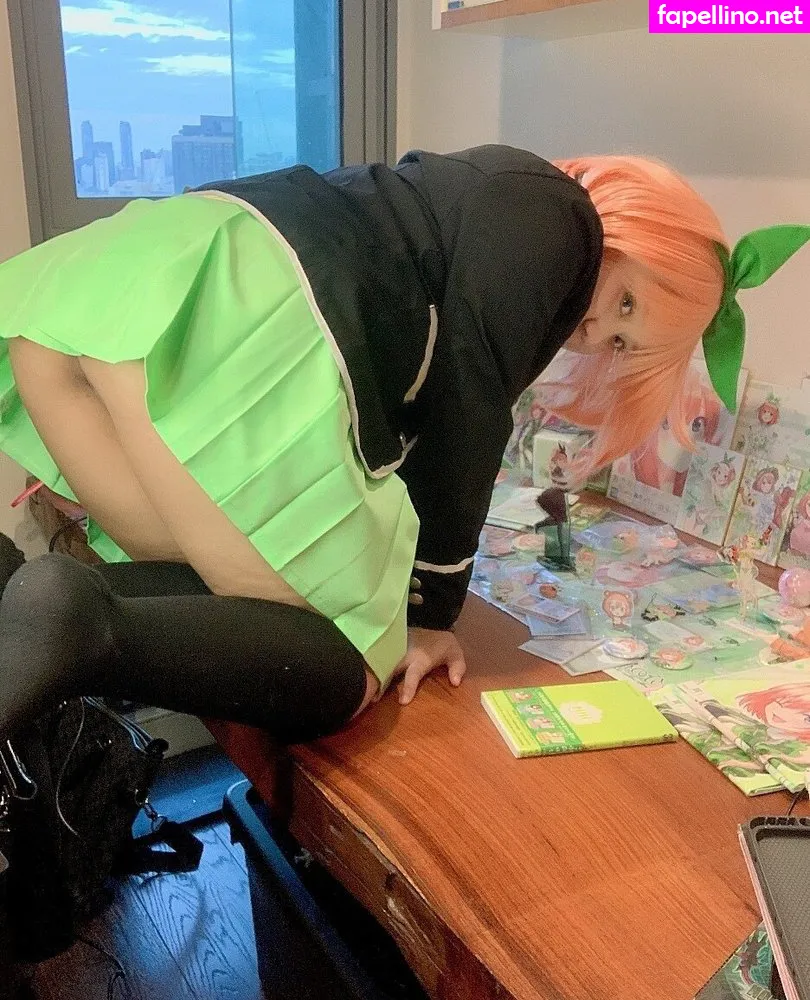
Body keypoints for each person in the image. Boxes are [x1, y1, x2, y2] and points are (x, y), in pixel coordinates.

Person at [0, 144, 806, 746]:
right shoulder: (561, 220)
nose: (596, 331)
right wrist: (427, 612)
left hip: (113, 285)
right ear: (623, 226)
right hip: (229, 293)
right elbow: (467, 413)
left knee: (206, 586)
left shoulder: (477, 200)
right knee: (349, 659)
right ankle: (73, 624)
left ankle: (17, 594)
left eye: (621, 343)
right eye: (625, 301)